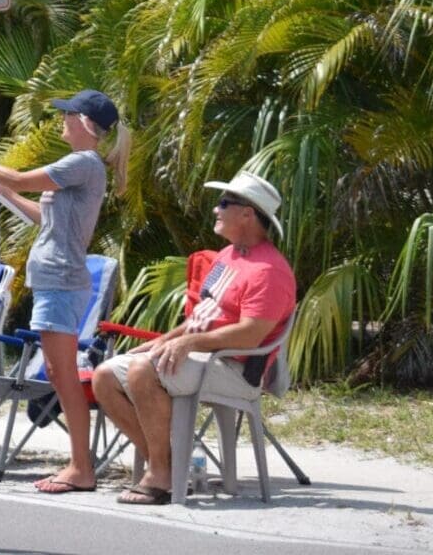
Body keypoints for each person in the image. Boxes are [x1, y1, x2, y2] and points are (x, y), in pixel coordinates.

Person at [0, 89, 131, 495]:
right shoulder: (82, 166)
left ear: (84, 124)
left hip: (62, 280)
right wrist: (3, 194)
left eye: (67, 116)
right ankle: (79, 464)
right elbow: (42, 215)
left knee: (63, 376)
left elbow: (17, 176)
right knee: (59, 375)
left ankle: (81, 467)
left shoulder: (82, 162)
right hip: (54, 279)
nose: (61, 122)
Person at [91, 172, 297, 506]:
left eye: (224, 203)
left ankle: (161, 476)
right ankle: (168, 468)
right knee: (104, 377)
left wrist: (188, 344)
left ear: (248, 214)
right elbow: (199, 318)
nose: (216, 209)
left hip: (234, 367)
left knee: (143, 371)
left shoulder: (269, 271)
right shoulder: (229, 255)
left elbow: (251, 334)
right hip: (203, 357)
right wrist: (164, 340)